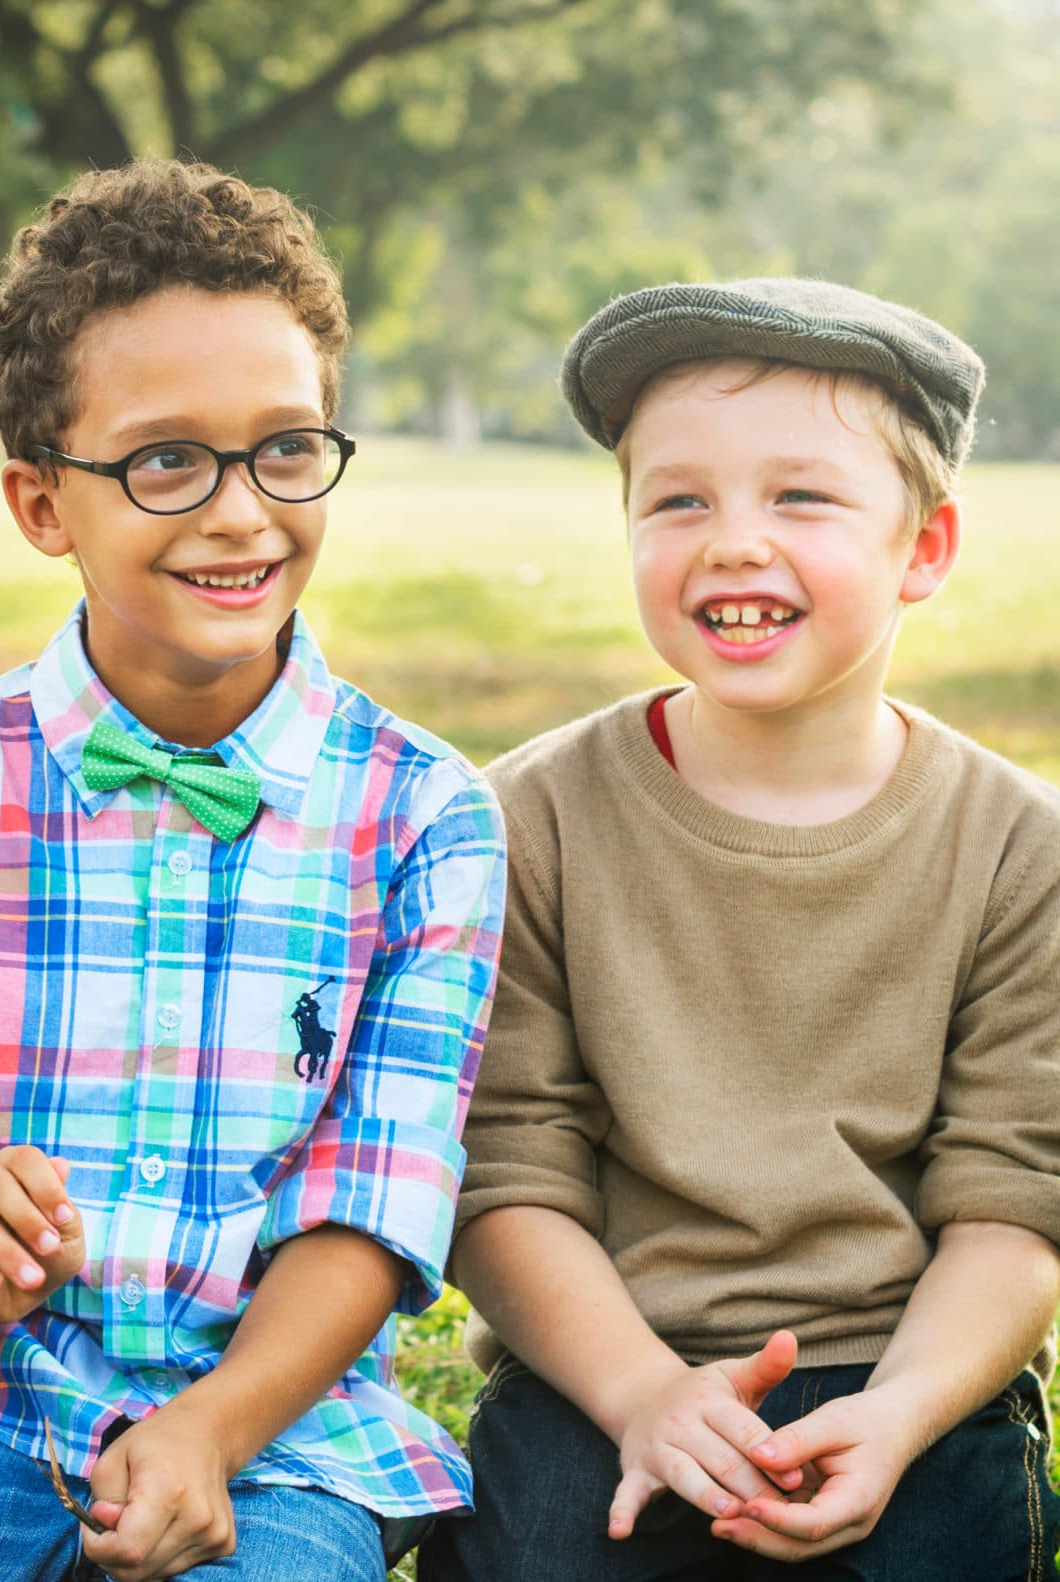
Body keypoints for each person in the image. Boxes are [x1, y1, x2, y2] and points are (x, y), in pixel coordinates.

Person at [0, 158, 505, 1582]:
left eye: (285, 446)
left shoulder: (425, 815)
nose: (242, 510)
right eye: (164, 460)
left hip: (277, 1431)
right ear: (40, 501)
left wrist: (208, 1428)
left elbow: (370, 1209)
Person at [421, 278, 1060, 1580]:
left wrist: (896, 1414)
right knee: (543, 1551)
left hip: (904, 1365)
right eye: (679, 500)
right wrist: (645, 1395)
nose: (730, 541)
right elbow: (505, 1171)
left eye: (800, 496)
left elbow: (1014, 1201)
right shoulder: (525, 819)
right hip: (605, 1360)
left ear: (924, 549)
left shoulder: (1016, 845)